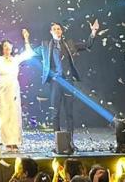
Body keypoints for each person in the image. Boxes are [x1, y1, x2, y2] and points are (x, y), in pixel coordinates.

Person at [33, 19, 100, 150]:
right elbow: (31, 54)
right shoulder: (45, 45)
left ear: (62, 31)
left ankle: (70, 142)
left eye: (59, 29)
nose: (57, 31)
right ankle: (57, 143)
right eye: (54, 29)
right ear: (51, 32)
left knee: (69, 113)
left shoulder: (69, 44)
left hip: (68, 81)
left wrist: (93, 32)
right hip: (55, 82)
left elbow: (87, 45)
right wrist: (24, 42)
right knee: (55, 113)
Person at [0, 29, 35, 152]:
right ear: (2, 49)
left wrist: (26, 38)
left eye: (9, 47)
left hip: (14, 87)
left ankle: (15, 141)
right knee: (5, 114)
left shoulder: (15, 59)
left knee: (15, 113)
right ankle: (7, 142)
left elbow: (29, 53)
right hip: (3, 87)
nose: (7, 49)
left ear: (12, 48)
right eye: (5, 47)